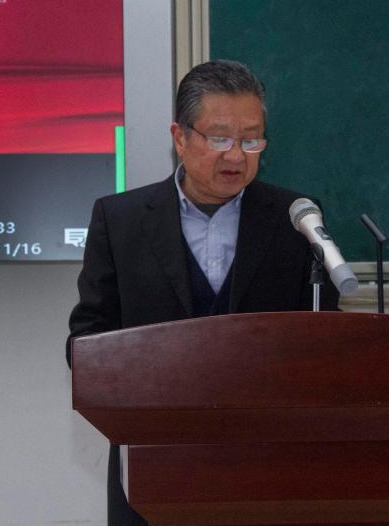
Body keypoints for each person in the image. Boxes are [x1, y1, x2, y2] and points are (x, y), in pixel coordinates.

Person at [67, 59, 339, 525]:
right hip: (154, 465)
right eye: (219, 139)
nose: (236, 156)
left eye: (251, 140)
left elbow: (325, 344)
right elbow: (86, 342)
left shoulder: (295, 219)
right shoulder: (120, 220)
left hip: (270, 467)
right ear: (180, 138)